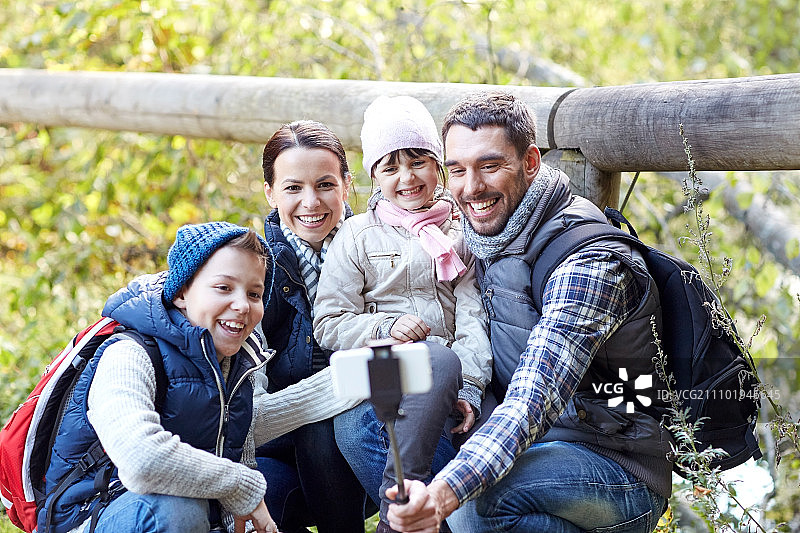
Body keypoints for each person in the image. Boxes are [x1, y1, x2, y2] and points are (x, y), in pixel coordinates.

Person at [385, 92, 674, 533]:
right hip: (540, 445)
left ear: (531, 163)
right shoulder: (484, 235)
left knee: (473, 504)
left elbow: (533, 399)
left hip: (618, 464)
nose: (470, 187)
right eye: (457, 170)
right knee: (368, 431)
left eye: (490, 165)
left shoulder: (588, 262)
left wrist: (444, 493)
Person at [312, 95, 492, 533]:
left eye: (418, 162)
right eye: (391, 168)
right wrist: (385, 327)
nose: (407, 178)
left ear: (438, 166)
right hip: (384, 372)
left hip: (447, 376)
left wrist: (468, 386)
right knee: (356, 431)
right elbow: (329, 321)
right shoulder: (356, 236)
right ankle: (413, 518)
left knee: (451, 392)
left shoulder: (464, 231)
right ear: (375, 176)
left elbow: (473, 318)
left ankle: (403, 523)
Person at [39, 222, 277, 533]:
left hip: (178, 509)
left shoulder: (233, 364)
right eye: (223, 287)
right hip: (94, 515)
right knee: (176, 510)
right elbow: (141, 461)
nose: (242, 305)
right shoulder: (129, 354)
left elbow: (237, 454)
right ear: (181, 292)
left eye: (254, 293)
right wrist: (240, 487)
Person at [256, 120, 371, 533]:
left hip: (365, 429)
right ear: (270, 192)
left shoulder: (379, 247)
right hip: (280, 438)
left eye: (324, 184)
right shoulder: (257, 267)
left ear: (345, 183)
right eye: (293, 188)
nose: (311, 202)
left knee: (325, 430)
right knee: (267, 494)